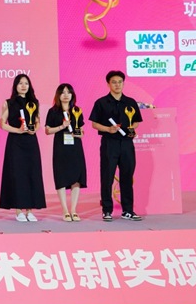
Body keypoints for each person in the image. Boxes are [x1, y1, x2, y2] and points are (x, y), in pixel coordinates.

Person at [89, 70, 144, 221]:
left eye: (120, 82)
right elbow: (94, 124)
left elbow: (137, 121)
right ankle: (107, 210)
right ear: (108, 84)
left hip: (127, 144)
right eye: (114, 82)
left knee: (127, 177)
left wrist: (131, 128)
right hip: (109, 143)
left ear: (123, 83)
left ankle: (128, 210)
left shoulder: (130, 102)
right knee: (107, 177)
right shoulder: (101, 102)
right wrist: (108, 129)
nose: (117, 85)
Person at [0, 74, 47, 221]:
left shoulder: (34, 103)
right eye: (20, 83)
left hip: (31, 142)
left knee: (31, 173)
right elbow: (2, 123)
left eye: (26, 83)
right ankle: (19, 210)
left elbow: (37, 121)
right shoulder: (9, 103)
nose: (23, 86)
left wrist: (34, 129)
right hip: (15, 142)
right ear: (15, 86)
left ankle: (30, 210)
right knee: (17, 175)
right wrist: (18, 130)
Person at [44, 83, 87, 222]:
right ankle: (65, 210)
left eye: (69, 92)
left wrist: (78, 133)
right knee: (61, 177)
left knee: (77, 178)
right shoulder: (53, 111)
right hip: (60, 148)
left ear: (72, 95)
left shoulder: (77, 110)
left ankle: (73, 210)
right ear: (58, 95)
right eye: (63, 92)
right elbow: (47, 130)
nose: (66, 95)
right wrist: (62, 126)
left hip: (75, 148)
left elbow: (82, 132)